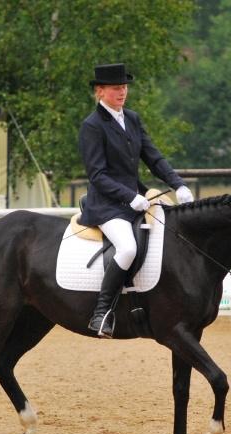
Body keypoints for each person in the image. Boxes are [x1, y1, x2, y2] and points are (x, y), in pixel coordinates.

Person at [78, 63, 194, 338]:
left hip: (136, 200)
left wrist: (178, 184)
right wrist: (129, 196)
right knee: (128, 248)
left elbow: (154, 157)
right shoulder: (92, 126)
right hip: (107, 205)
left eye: (124, 87)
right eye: (116, 88)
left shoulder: (132, 118)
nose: (122, 92)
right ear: (100, 91)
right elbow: (97, 175)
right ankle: (101, 313)